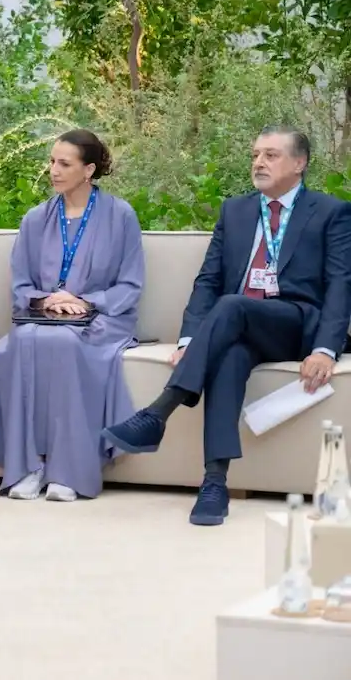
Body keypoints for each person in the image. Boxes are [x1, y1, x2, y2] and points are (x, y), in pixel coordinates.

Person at [102, 125, 351, 526]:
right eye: (255, 154)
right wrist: (189, 340)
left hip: (293, 322)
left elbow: (341, 285)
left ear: (299, 163)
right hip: (237, 325)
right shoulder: (235, 211)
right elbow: (208, 281)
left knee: (233, 307)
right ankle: (214, 483)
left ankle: (158, 413)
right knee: (229, 355)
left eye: (271, 155)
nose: (258, 162)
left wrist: (325, 348)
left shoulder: (330, 212)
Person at [0, 130, 144, 502]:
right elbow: (21, 286)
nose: (53, 170)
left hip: (101, 318)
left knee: (64, 342)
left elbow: (130, 285)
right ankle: (28, 466)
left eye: (64, 164)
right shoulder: (35, 218)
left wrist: (85, 302)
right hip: (41, 316)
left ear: (88, 170)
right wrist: (49, 302)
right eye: (52, 161)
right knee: (17, 344)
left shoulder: (120, 216)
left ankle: (68, 470)